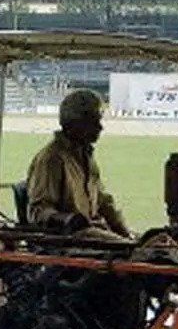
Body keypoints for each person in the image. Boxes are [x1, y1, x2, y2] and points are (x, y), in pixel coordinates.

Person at [26, 89, 131, 238]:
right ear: (76, 123)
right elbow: (37, 211)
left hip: (94, 231)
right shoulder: (51, 159)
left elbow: (102, 201)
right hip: (67, 240)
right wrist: (70, 220)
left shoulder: (85, 155)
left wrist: (126, 233)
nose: (100, 127)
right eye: (94, 121)